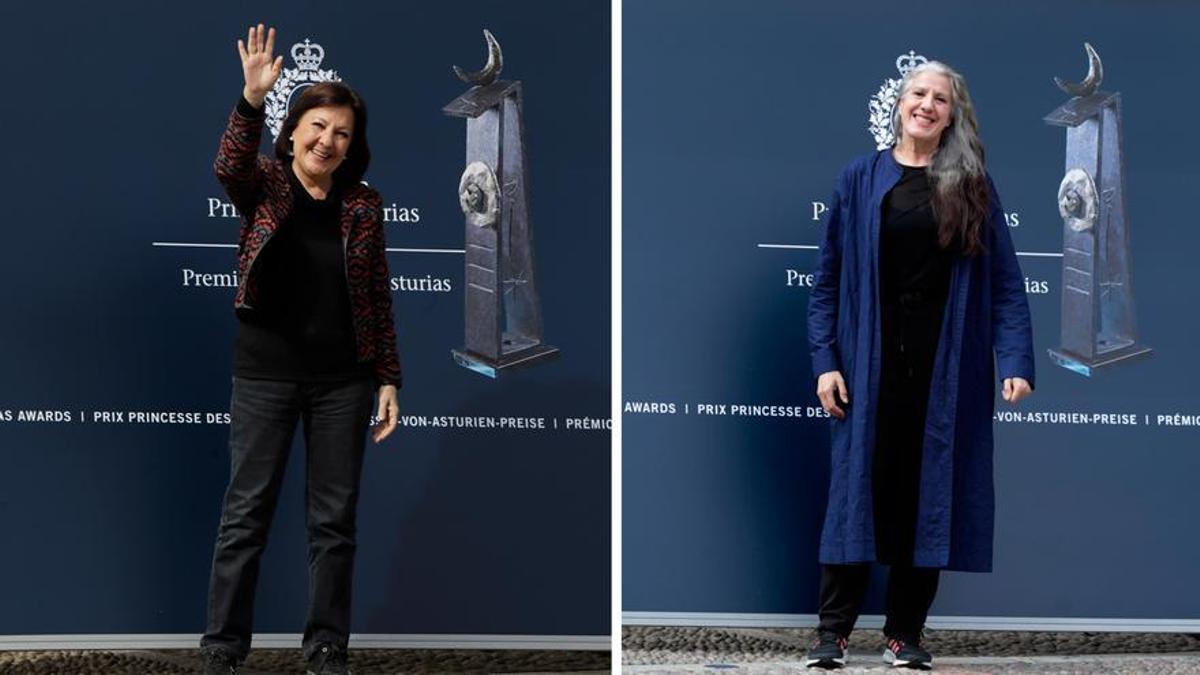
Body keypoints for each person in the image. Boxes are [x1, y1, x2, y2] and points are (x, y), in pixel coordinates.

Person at [804, 61, 1034, 670]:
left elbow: (1006, 285)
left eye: (941, 99)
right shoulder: (860, 178)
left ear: (953, 115)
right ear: (900, 103)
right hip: (866, 366)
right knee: (856, 496)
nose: (928, 105)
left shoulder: (972, 185)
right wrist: (826, 360)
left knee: (926, 498)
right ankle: (833, 634)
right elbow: (826, 282)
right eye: (919, 94)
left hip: (944, 371)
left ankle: (905, 633)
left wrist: (1014, 359)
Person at [200, 24, 401, 675]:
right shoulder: (264, 184)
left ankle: (325, 646)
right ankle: (224, 647)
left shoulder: (364, 205)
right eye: (317, 126)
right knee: (245, 517)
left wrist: (387, 377)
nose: (327, 141)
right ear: (293, 132)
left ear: (352, 143)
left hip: (344, 381)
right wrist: (251, 100)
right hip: (265, 375)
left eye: (341, 132)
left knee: (333, 524)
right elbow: (228, 162)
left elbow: (375, 296)